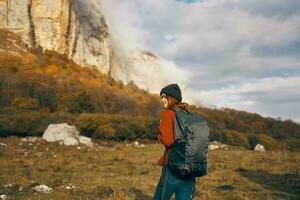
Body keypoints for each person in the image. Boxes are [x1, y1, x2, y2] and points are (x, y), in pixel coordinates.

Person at [153, 84, 195, 200]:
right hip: (190, 168)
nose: (162, 100)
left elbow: (168, 141)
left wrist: (160, 130)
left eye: (164, 96)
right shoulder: (188, 115)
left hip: (173, 167)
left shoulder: (168, 113)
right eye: (161, 97)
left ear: (172, 98)